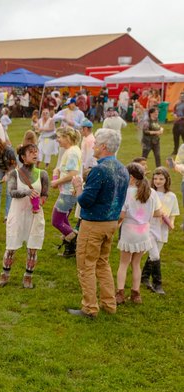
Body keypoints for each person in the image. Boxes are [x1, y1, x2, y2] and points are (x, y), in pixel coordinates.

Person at [67, 129, 129, 318]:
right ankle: (109, 305)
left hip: (93, 223)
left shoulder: (99, 170)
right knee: (103, 263)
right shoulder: (123, 169)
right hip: (111, 223)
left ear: (103, 147)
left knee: (86, 265)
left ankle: (89, 308)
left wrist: (78, 187)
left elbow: (85, 201)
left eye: (95, 143)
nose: (92, 146)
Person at [0, 144, 50, 289]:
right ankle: (4, 275)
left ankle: (28, 277)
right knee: (11, 246)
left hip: (35, 215)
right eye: (31, 152)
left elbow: (45, 194)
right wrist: (26, 193)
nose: (35, 154)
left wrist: (40, 202)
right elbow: (12, 192)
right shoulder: (15, 173)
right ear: (23, 157)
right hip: (17, 214)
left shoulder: (43, 174)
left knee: (33, 247)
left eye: (36, 152)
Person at [115, 163, 163, 305]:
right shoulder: (152, 193)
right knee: (136, 264)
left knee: (123, 263)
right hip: (144, 232)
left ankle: (120, 293)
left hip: (129, 231)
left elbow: (122, 215)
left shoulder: (127, 193)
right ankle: (136, 294)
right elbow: (158, 212)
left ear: (131, 177)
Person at [141, 167, 178, 295]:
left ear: (167, 180)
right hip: (149, 228)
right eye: (155, 178)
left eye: (161, 178)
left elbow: (173, 213)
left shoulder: (172, 196)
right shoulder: (150, 193)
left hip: (162, 229)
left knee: (153, 256)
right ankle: (158, 284)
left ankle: (144, 278)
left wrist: (171, 223)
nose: (158, 181)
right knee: (155, 255)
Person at [51, 127, 82, 257]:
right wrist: (57, 172)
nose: (58, 140)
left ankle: (76, 241)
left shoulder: (72, 152)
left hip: (68, 193)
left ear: (67, 138)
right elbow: (66, 169)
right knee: (63, 219)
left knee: (56, 221)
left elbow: (73, 173)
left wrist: (57, 182)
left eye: (60, 137)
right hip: (68, 191)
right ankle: (71, 250)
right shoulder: (70, 151)